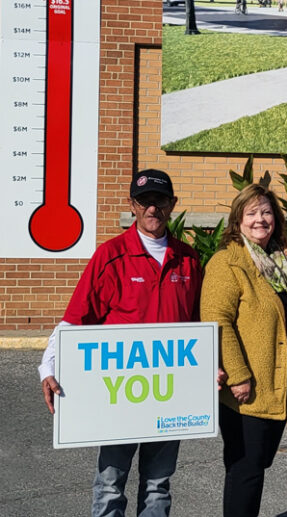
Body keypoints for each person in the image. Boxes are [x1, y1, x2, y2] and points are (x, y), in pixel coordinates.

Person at [38, 169, 201, 517]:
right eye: (144, 201)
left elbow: (200, 325)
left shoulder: (189, 259)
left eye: (160, 200)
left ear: (172, 204)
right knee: (111, 484)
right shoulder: (110, 255)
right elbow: (76, 318)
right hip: (118, 395)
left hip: (168, 394)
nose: (152, 209)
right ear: (132, 205)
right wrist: (47, 366)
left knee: (158, 485)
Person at [201, 184, 287, 517]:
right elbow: (217, 321)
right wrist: (238, 375)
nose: (260, 219)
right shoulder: (227, 263)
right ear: (238, 220)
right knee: (245, 469)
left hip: (276, 384)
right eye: (251, 213)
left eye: (266, 212)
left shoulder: (282, 265)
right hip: (246, 389)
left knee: (256, 465)